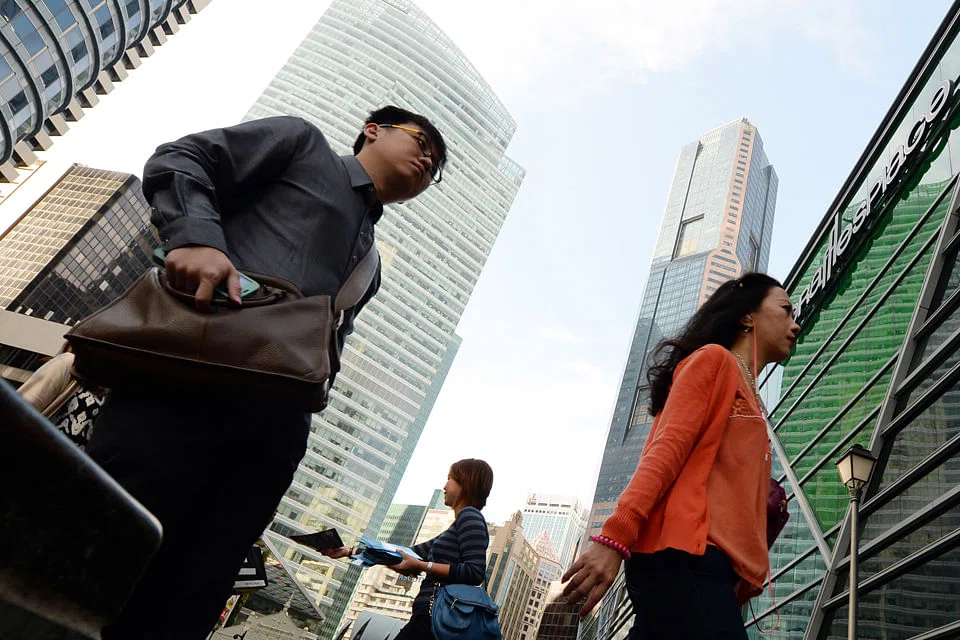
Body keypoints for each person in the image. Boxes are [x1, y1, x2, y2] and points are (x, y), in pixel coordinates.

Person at [83, 106, 447, 640]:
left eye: (435, 166)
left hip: (276, 431)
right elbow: (182, 158)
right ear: (374, 130)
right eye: (422, 142)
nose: (428, 161)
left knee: (196, 586)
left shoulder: (371, 262)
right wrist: (196, 239)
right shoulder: (303, 144)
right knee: (102, 546)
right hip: (190, 382)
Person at [561, 273, 801, 639]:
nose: (795, 324)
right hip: (685, 556)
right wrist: (614, 537)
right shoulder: (714, 360)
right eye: (785, 310)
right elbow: (666, 449)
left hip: (702, 566)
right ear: (747, 316)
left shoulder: (750, 395)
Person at [322, 458, 494, 640]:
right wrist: (350, 551)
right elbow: (405, 555)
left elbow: (475, 572)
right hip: (428, 618)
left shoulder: (470, 517)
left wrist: (422, 566)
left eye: (449, 479)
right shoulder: (455, 528)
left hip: (434, 620)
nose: (444, 486)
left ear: (464, 483)